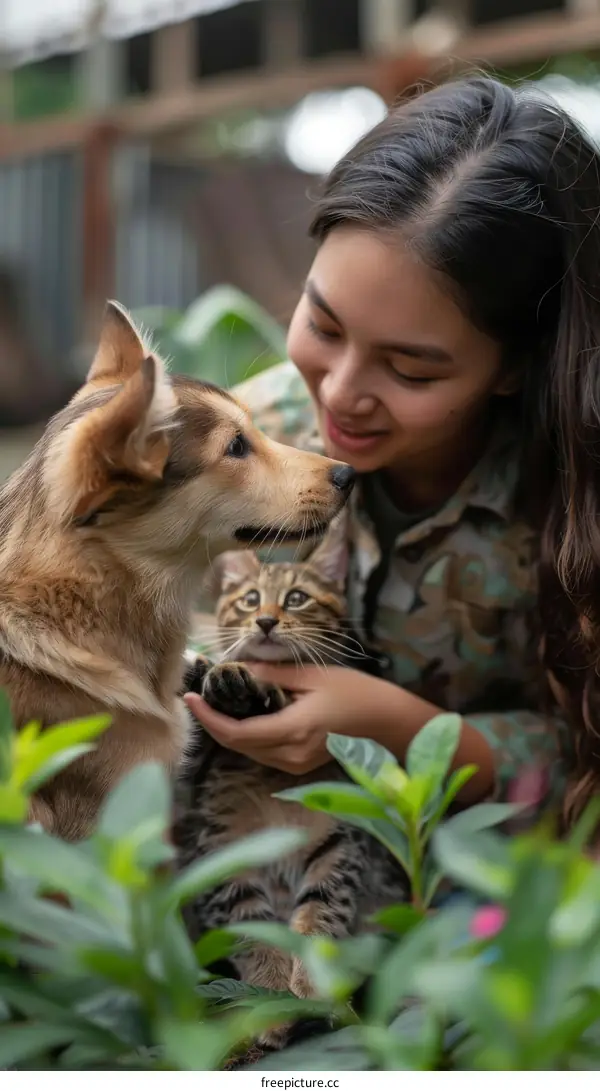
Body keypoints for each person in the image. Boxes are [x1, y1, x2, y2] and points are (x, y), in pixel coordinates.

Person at [185, 75, 600, 823]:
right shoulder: (245, 441)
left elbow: (580, 751)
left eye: (410, 368)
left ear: (514, 366)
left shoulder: (571, 487)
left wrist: (402, 729)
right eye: (323, 326)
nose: (341, 393)